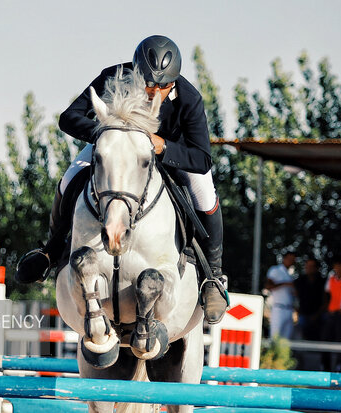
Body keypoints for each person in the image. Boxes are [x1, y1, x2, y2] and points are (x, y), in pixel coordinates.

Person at [15, 35, 229, 324]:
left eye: (162, 87)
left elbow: (202, 158)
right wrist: (107, 133)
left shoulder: (189, 98)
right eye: (148, 84)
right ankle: (50, 252)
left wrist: (163, 146)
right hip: (115, 145)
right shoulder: (114, 77)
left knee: (204, 192)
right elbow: (69, 117)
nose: (154, 92)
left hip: (168, 155)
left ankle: (213, 277)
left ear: (173, 81)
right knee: (70, 177)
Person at [265, 251, 296, 339]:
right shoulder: (275, 270)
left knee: (286, 339)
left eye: (293, 260)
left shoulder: (290, 275)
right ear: (284, 259)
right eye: (289, 259)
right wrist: (285, 284)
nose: (291, 261)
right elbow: (268, 286)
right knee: (275, 336)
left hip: (289, 309)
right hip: (279, 308)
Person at [293, 258, 325, 340]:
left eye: (312, 266)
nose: (309, 268)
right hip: (303, 313)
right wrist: (297, 310)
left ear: (316, 268)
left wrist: (318, 313)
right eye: (307, 266)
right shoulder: (300, 280)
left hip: (319, 314)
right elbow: (294, 296)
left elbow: (326, 299)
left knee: (319, 335)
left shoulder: (322, 281)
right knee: (302, 335)